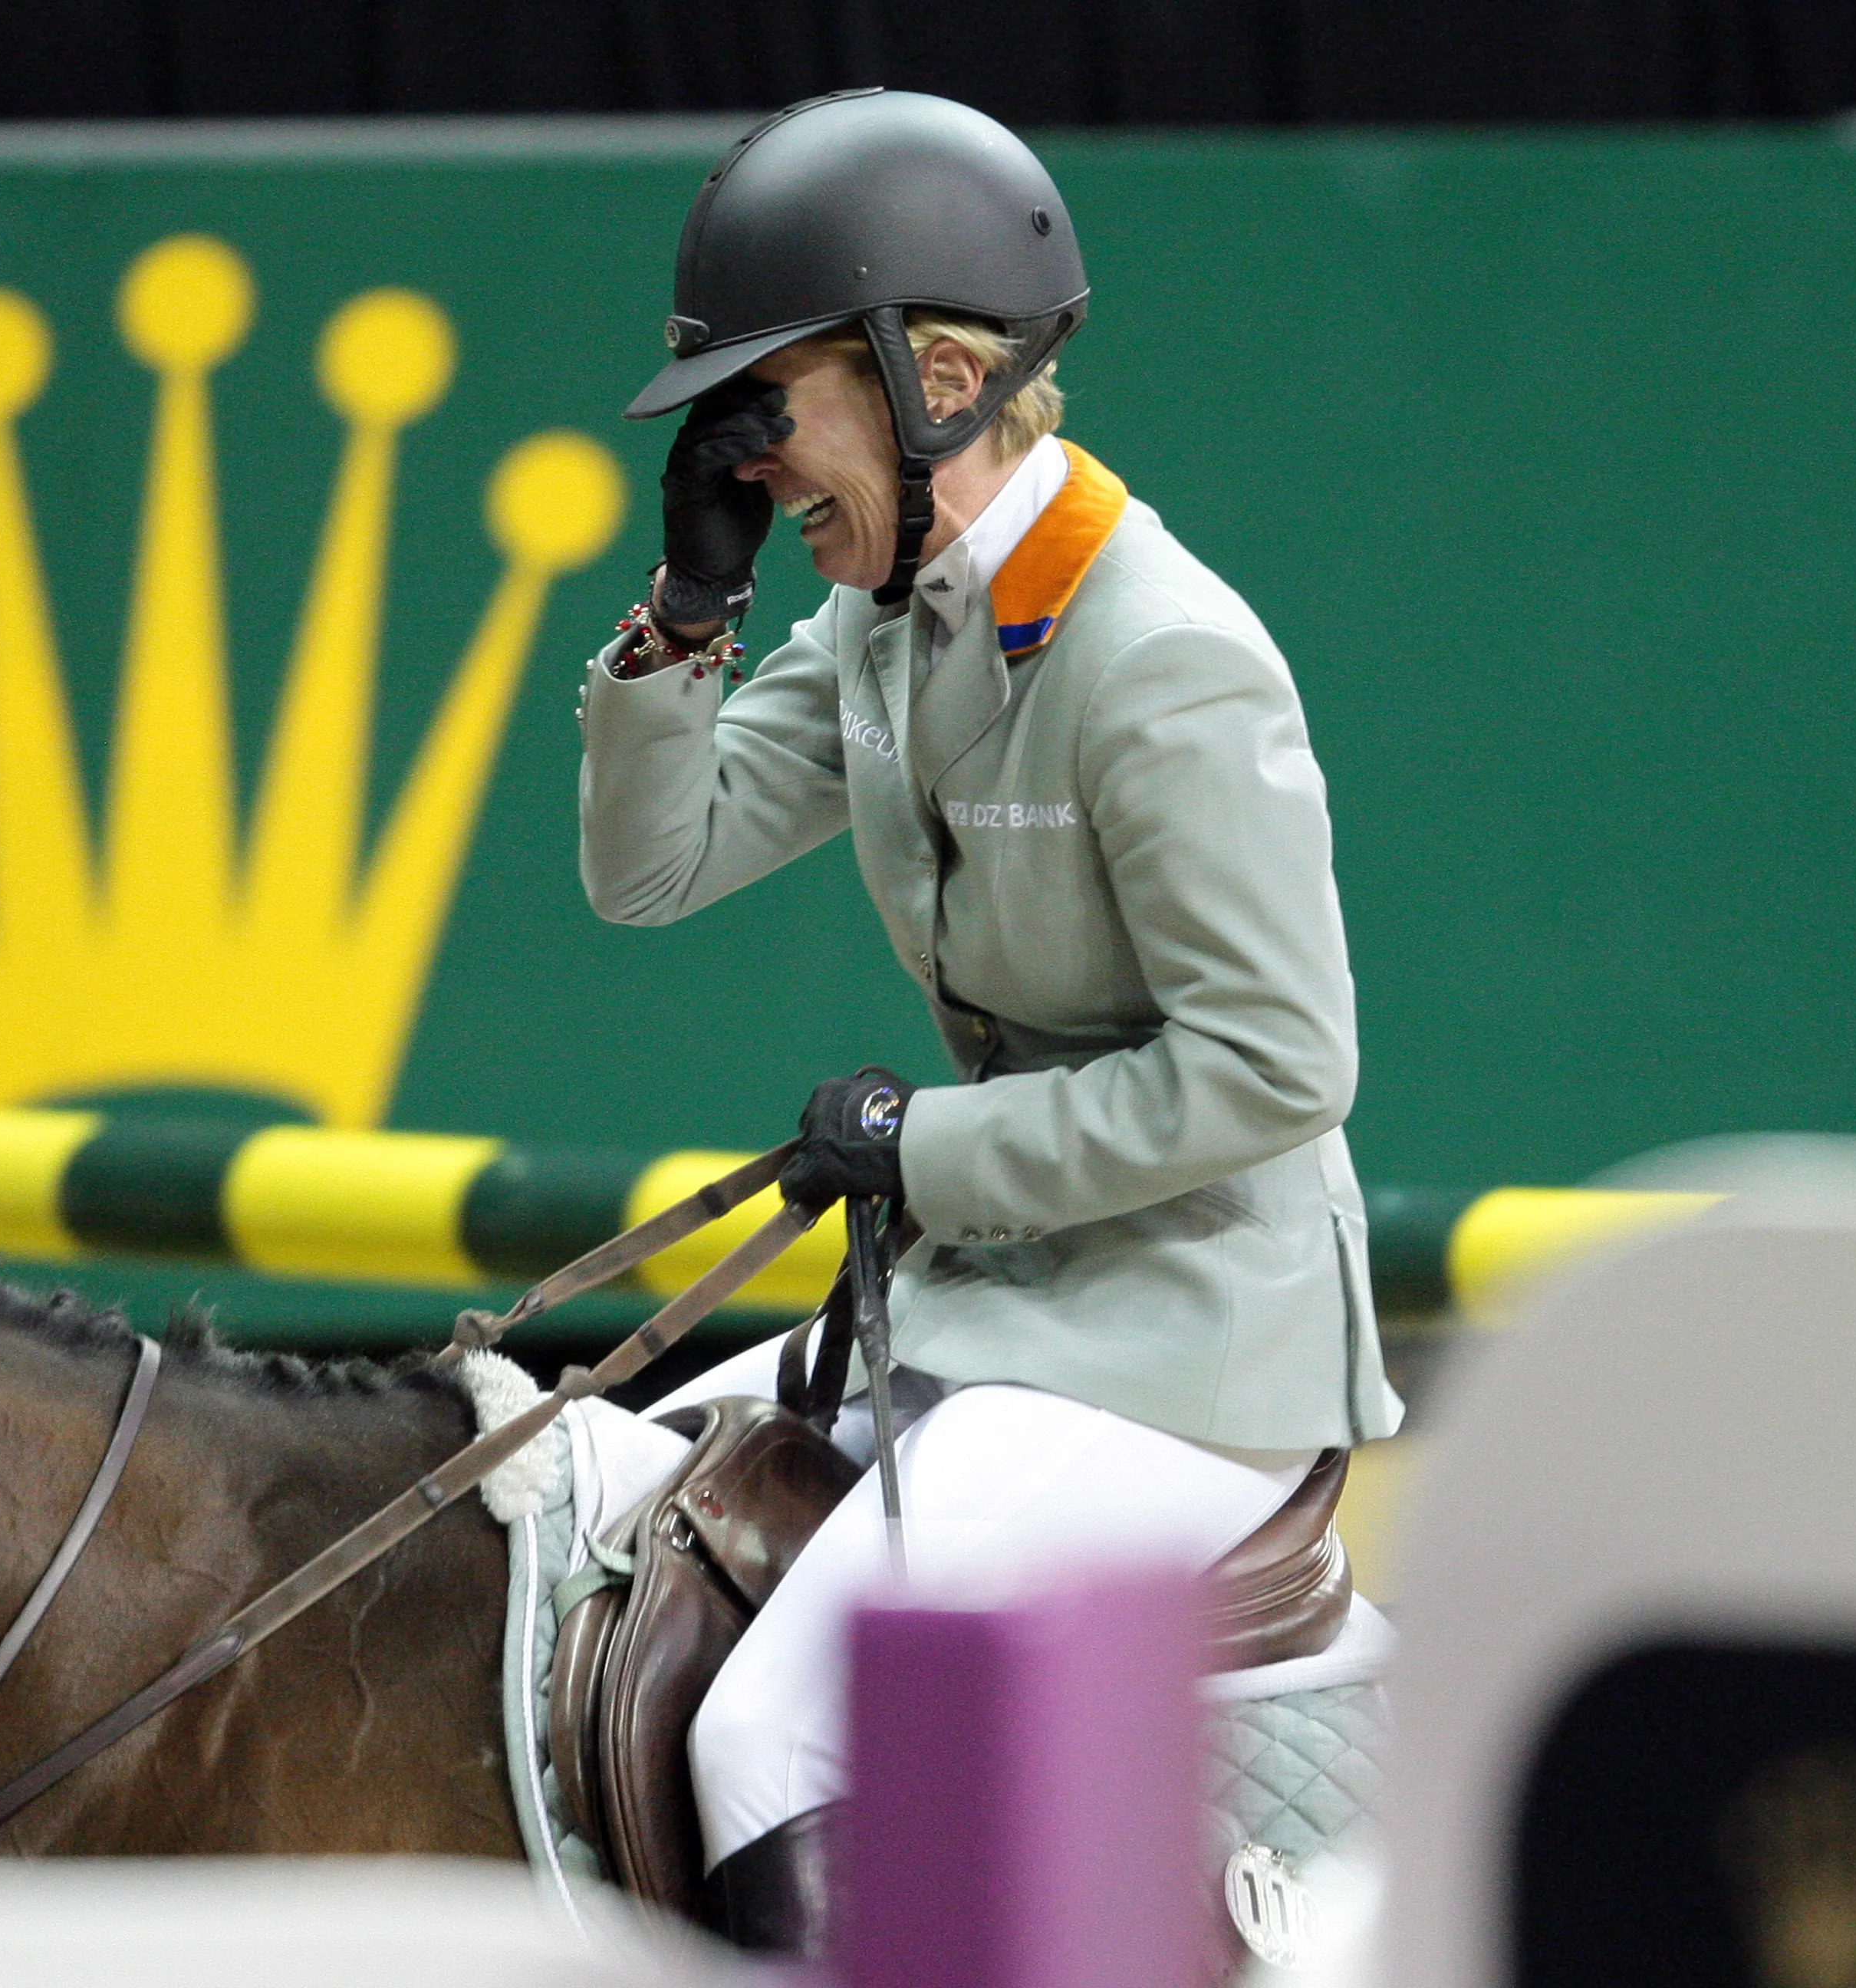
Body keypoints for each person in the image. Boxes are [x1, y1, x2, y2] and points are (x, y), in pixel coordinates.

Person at [576, 87, 1402, 1953]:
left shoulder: (1160, 655)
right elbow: (652, 867)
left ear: (934, 378)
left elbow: (1278, 1068)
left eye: (767, 405)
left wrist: (922, 1148)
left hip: (1193, 1341)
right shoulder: (880, 621)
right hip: (993, 1303)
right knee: (588, 1508)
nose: (743, 460)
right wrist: (687, 612)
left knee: (778, 1735)